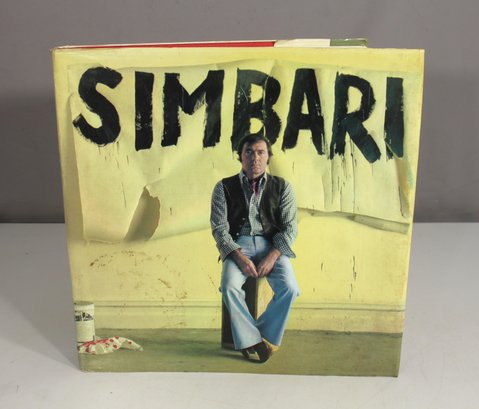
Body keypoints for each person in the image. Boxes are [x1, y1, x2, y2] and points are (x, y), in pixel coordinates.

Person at [210, 134, 300, 363]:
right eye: (249, 152)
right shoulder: (223, 187)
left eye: (261, 152)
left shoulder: (283, 187)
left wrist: (273, 256)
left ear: (268, 157)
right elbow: (219, 228)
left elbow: (290, 228)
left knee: (290, 288)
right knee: (229, 286)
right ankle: (256, 342)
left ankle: (257, 336)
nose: (255, 158)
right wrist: (238, 257)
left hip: (272, 245)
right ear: (240, 156)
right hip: (237, 245)